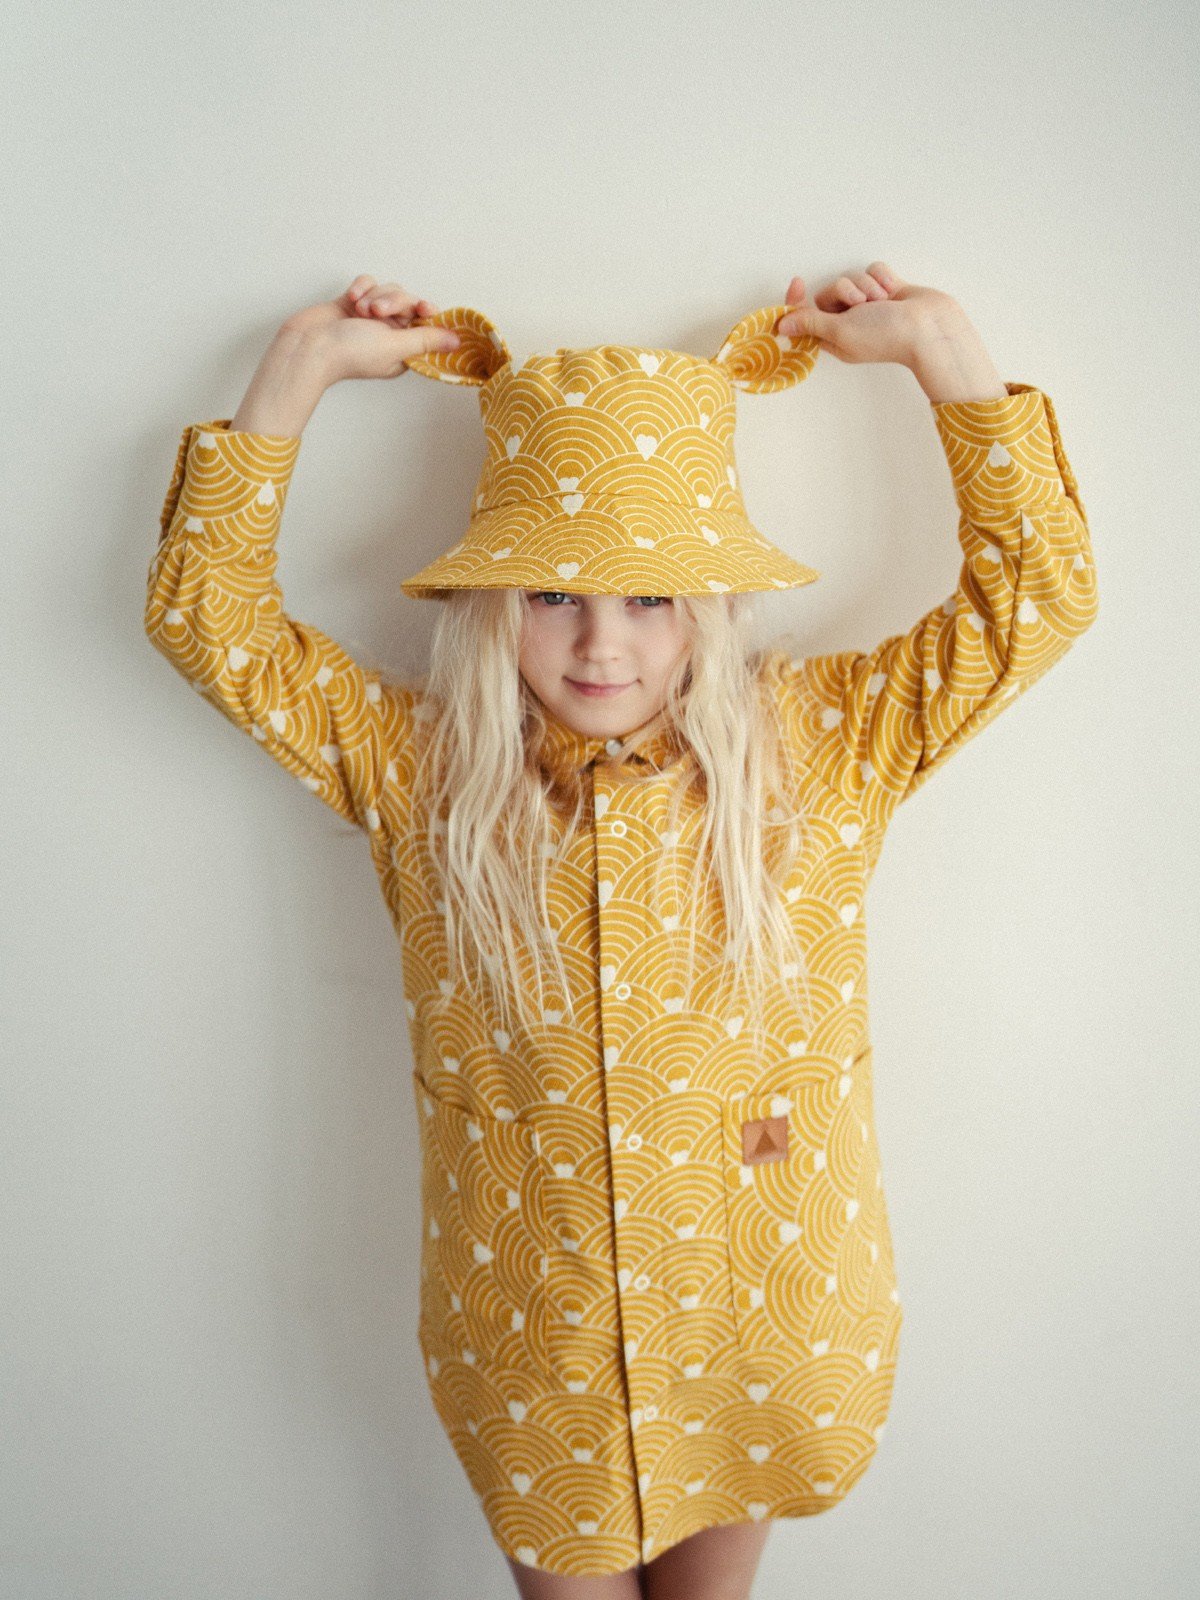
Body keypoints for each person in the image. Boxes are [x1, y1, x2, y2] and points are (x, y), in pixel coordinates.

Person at [145, 264, 1099, 1600]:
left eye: (650, 599)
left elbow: (1036, 599)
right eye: (554, 596)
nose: (603, 646)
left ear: (706, 606)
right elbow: (209, 620)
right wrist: (294, 375)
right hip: (538, 1339)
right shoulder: (421, 771)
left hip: (760, 1314)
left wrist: (945, 353)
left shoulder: (821, 748)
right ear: (494, 602)